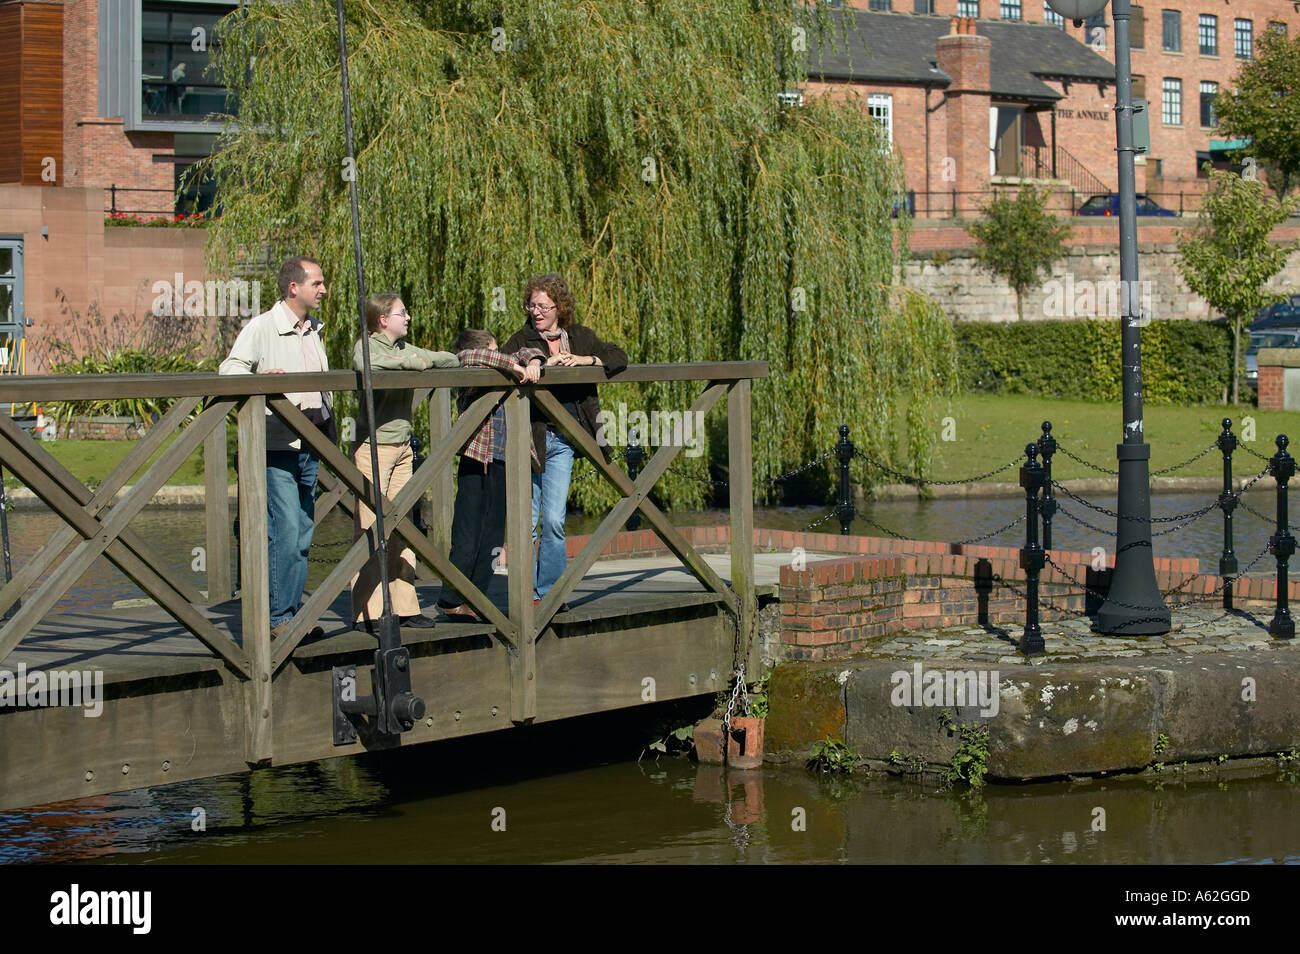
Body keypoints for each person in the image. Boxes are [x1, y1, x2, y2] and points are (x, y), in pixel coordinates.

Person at [219, 256, 332, 637]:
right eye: (316, 283)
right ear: (293, 288)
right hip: (276, 445)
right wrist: (259, 380)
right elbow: (229, 369)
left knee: (301, 532)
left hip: (311, 443)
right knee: (284, 531)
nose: (323, 289)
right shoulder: (263, 327)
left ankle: (287, 612)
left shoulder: (315, 328)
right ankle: (278, 618)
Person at [505, 273, 627, 608]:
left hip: (566, 439)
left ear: (560, 307)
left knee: (554, 520)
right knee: (526, 522)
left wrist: (585, 361)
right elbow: (503, 362)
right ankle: (525, 596)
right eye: (532, 305)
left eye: (543, 305)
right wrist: (540, 362)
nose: (536, 311)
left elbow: (618, 357)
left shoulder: (581, 336)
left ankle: (550, 593)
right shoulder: (522, 338)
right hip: (530, 437)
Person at [351, 293, 458, 631]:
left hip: (401, 448)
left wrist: (416, 358)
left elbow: (448, 360)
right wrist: (413, 362)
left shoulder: (402, 349)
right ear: (383, 319)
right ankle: (369, 613)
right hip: (374, 448)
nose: (408, 317)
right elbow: (367, 366)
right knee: (372, 528)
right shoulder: (366, 346)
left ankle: (405, 608)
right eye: (402, 312)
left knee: (402, 527)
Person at [435, 330, 544, 621]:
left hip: (504, 459)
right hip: (477, 458)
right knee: (467, 531)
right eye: (495, 350)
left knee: (494, 535)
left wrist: (530, 360)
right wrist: (514, 365)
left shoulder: (501, 363)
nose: (501, 356)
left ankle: (476, 597)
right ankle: (450, 597)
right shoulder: (471, 364)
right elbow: (469, 356)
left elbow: (526, 354)